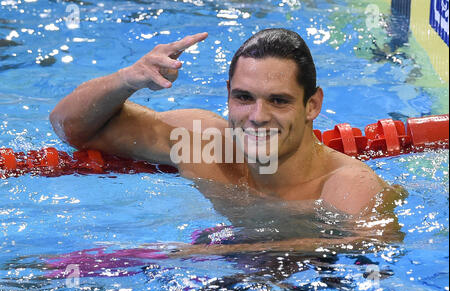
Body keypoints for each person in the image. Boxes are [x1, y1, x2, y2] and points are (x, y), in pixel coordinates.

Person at [50, 28, 405, 252]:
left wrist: (206, 252)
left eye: (278, 101)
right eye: (244, 97)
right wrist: (128, 79)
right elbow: (71, 129)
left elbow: (374, 246)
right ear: (228, 95)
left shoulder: (346, 185)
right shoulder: (201, 143)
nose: (257, 116)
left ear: (312, 104)